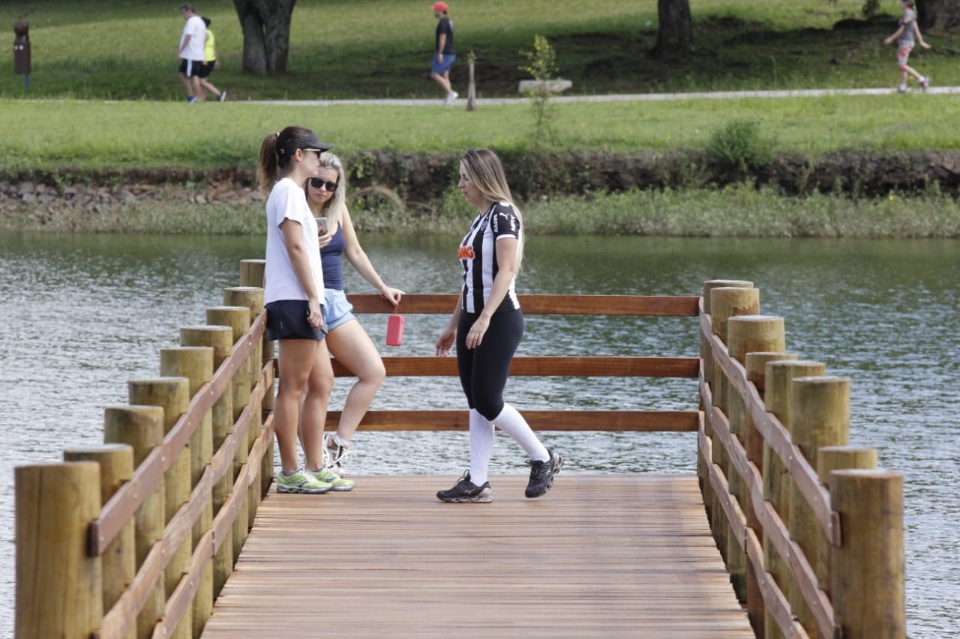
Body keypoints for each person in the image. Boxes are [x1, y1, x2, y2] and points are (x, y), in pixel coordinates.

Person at [434, 148, 562, 503]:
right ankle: (477, 481)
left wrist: (486, 318)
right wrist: (454, 324)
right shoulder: (479, 219)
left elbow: (506, 270)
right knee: (476, 401)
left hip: (500, 318)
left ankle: (542, 457)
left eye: (465, 177)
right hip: (474, 319)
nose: (460, 184)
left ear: (482, 178)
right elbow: (470, 281)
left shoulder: (503, 215)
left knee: (489, 400)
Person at [258, 125, 352, 494]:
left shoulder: (292, 194)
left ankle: (314, 465)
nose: (318, 158)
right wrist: (314, 299)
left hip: (304, 299)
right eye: (314, 152)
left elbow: (303, 246)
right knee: (292, 389)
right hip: (295, 301)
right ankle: (291, 471)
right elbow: (295, 249)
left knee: (321, 380)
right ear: (299, 155)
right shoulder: (287, 192)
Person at [301, 152, 404, 476]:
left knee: (373, 371)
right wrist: (309, 246)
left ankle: (338, 442)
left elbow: (355, 252)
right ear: (306, 178)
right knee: (312, 386)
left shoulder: (337, 210)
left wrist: (382, 286)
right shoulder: (295, 208)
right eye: (317, 182)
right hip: (306, 300)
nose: (322, 190)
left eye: (330, 185)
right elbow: (284, 253)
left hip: (335, 302)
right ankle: (309, 462)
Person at [883, 0, 931, 94]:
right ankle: (903, 87)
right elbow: (915, 28)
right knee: (903, 66)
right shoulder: (910, 13)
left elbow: (902, 29)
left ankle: (922, 79)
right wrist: (920, 42)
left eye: (901, 2)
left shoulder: (908, 14)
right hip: (905, 42)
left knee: (902, 65)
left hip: (906, 42)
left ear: (905, 4)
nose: (900, 4)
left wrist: (891, 38)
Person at [430, 2, 458, 105]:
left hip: (445, 52)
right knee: (445, 75)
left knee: (434, 74)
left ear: (440, 11)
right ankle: (449, 99)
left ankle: (450, 93)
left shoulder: (442, 23)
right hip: (451, 52)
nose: (434, 11)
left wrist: (440, 52)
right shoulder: (449, 21)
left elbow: (443, 37)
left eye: (435, 10)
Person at [177, 4, 206, 103]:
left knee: (192, 76)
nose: (183, 15)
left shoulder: (192, 21)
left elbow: (188, 36)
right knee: (182, 73)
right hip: (196, 54)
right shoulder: (200, 21)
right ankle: (191, 94)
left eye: (183, 13)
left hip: (191, 54)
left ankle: (196, 97)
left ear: (189, 11)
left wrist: (180, 51)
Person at [198, 17, 226, 102]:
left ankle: (219, 94)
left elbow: (200, 47)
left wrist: (202, 58)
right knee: (202, 81)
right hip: (211, 59)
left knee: (201, 82)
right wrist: (216, 60)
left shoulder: (204, 34)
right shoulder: (210, 32)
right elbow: (213, 47)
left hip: (206, 60)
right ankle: (202, 99)